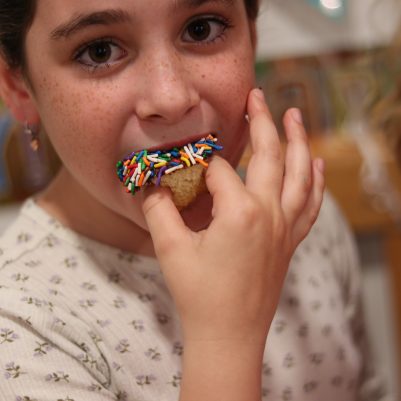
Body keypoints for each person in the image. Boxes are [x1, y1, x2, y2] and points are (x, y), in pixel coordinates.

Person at [0, 1, 385, 400]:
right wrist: (225, 337)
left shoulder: (305, 221)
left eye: (201, 29)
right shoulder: (19, 330)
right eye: (99, 51)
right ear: (18, 87)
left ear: (252, 36)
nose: (170, 99)